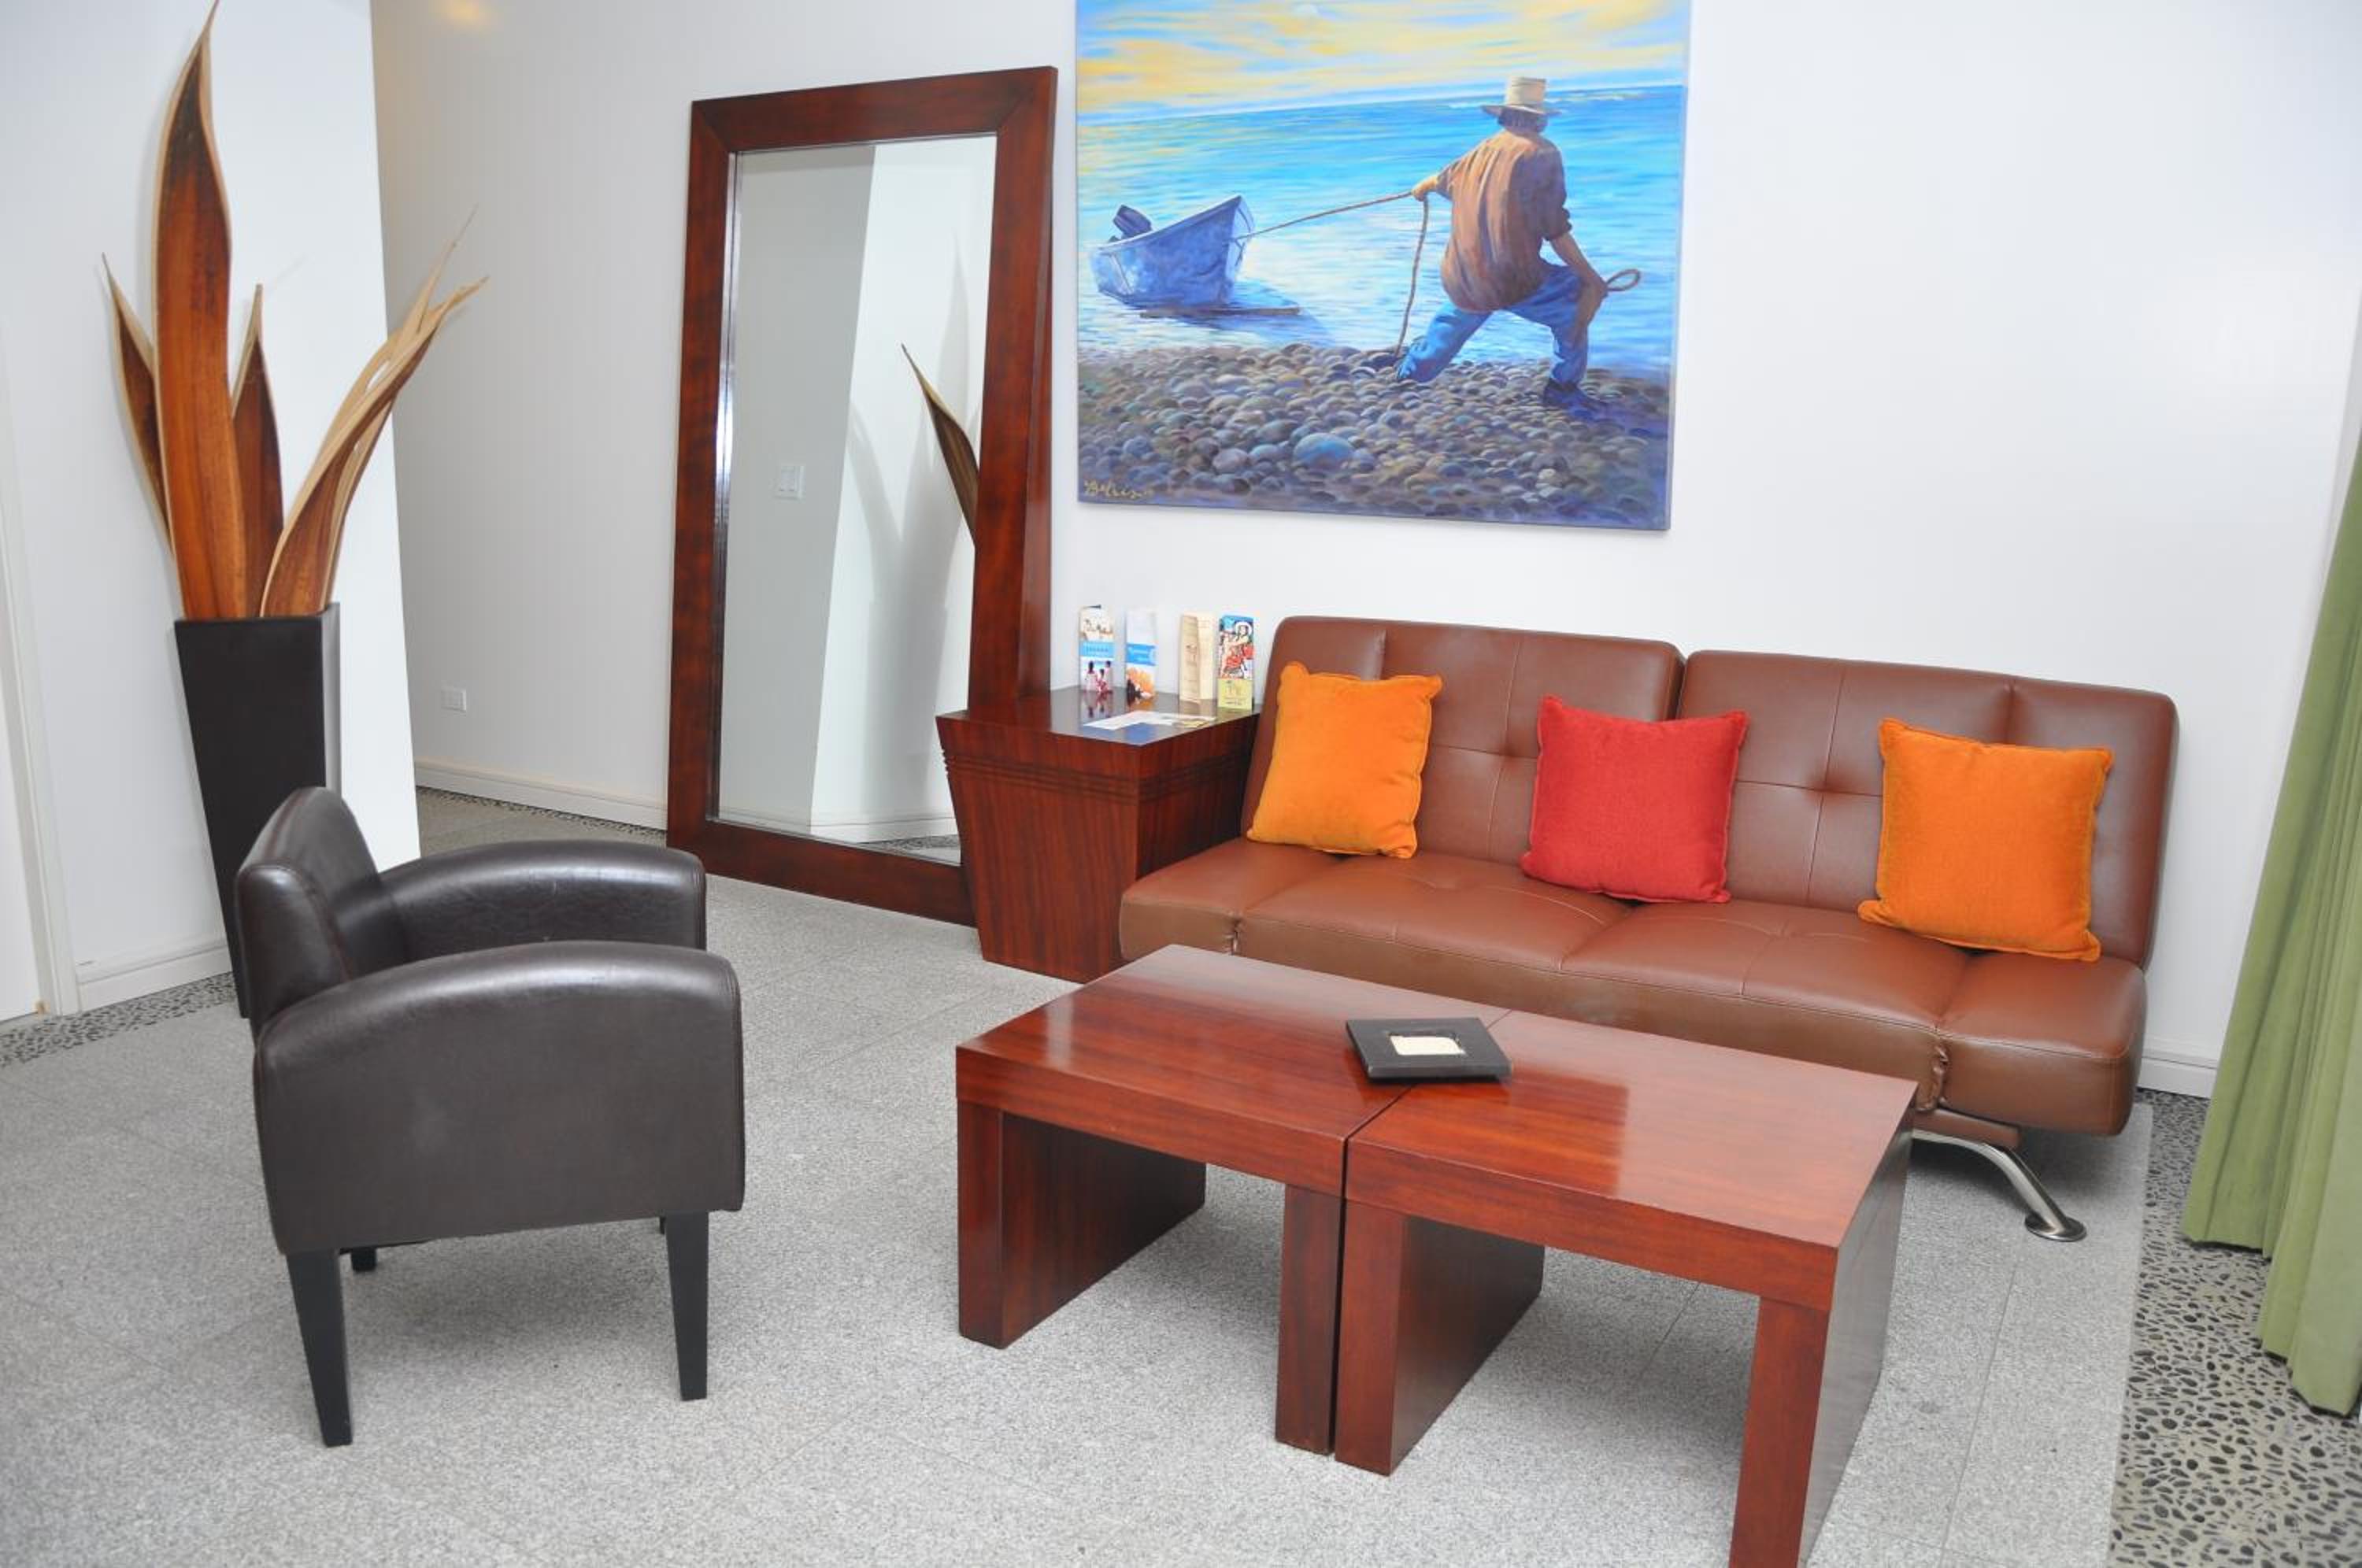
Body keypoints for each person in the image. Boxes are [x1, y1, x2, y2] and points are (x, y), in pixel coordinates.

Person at [1395, 75, 1609, 411]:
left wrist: (1422, 187)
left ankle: (1410, 373)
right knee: (1577, 299)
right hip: (1513, 278)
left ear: (1505, 115)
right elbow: (1555, 231)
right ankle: (1562, 389)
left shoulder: (1481, 150)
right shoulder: (1542, 153)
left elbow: (1441, 180)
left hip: (1463, 274)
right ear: (1539, 118)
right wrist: (1593, 280)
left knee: (1460, 314)